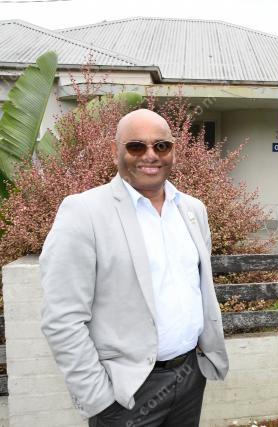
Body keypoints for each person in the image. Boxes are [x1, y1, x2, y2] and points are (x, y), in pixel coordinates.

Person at [40, 109, 228, 426]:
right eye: (136, 146)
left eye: (161, 146)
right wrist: (99, 397)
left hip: (190, 376)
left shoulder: (192, 209)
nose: (150, 155)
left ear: (173, 151)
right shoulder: (84, 212)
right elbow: (62, 318)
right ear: (115, 151)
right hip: (126, 393)